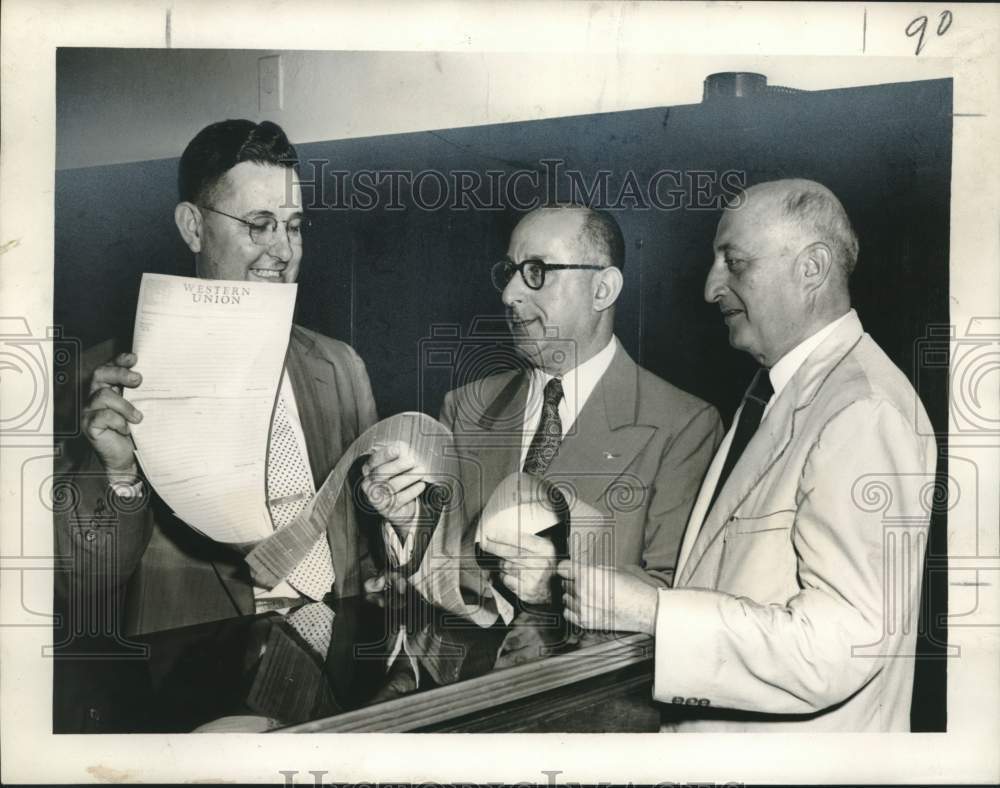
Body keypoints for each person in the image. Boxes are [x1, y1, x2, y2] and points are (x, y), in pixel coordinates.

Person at [559, 179, 937, 731]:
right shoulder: (777, 391)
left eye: (734, 263)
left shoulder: (864, 409)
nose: (712, 287)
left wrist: (652, 614)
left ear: (812, 268)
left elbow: (839, 646)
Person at [55, 119, 389, 637]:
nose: (283, 251)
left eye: (294, 225)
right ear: (193, 226)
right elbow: (81, 581)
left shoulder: (342, 367)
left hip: (337, 669)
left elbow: (366, 545)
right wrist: (119, 477)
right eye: (259, 224)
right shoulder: (110, 381)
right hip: (201, 676)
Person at [391, 204, 723, 635]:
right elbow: (436, 567)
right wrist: (404, 523)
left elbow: (673, 594)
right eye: (510, 271)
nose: (510, 294)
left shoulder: (685, 425)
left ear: (603, 289)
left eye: (537, 271)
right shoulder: (464, 406)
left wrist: (556, 582)